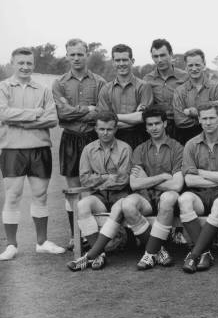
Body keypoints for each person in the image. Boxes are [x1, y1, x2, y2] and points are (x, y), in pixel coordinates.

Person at [0, 47, 61, 260]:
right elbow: (3, 114)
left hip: (39, 148)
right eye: (21, 63)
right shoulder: (4, 87)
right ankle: (11, 246)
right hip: (12, 149)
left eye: (29, 63)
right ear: (12, 63)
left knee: (40, 195)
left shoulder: (43, 89)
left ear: (33, 64)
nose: (25, 67)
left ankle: (42, 242)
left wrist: (22, 123)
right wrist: (34, 114)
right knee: (13, 195)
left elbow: (52, 119)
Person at [52, 38, 107, 250]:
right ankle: (75, 235)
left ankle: (95, 234)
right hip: (70, 139)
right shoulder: (59, 83)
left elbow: (101, 114)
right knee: (73, 189)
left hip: (94, 139)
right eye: (72, 54)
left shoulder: (100, 81)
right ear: (66, 56)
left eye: (80, 54)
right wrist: (86, 110)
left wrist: (74, 110)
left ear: (87, 54)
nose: (76, 58)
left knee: (95, 187)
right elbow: (62, 115)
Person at [179, 102, 218, 273]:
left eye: (212, 118)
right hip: (198, 192)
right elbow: (190, 181)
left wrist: (201, 172)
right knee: (184, 200)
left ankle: (194, 255)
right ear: (198, 119)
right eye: (204, 118)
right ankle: (206, 252)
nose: (208, 122)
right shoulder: (191, 144)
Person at [67, 112, 132, 271]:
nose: (105, 133)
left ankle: (95, 253)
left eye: (109, 129)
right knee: (82, 205)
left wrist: (98, 179)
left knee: (119, 203)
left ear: (116, 129)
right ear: (95, 129)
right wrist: (109, 177)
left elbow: (123, 180)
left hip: (121, 196)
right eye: (101, 129)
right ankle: (99, 253)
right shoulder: (88, 150)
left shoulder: (125, 148)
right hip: (100, 198)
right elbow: (84, 179)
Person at [126, 105, 184, 270]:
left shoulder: (177, 148)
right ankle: (159, 250)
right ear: (145, 127)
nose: (154, 128)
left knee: (169, 197)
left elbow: (177, 185)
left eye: (157, 123)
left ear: (165, 124)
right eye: (150, 125)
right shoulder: (140, 149)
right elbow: (134, 184)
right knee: (128, 205)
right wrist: (161, 177)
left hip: (166, 198)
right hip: (144, 197)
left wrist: (147, 179)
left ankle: (150, 253)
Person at [97, 43, 153, 149]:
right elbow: (105, 122)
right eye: (117, 60)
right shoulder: (105, 89)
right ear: (113, 62)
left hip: (140, 139)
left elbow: (142, 118)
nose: (121, 63)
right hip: (113, 139)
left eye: (125, 60)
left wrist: (113, 117)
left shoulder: (144, 87)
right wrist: (133, 118)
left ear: (132, 61)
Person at [173, 48, 218, 146]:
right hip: (187, 139)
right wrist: (208, 117)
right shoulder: (179, 91)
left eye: (197, 65)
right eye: (190, 65)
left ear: (204, 64)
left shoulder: (217, 87)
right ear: (185, 67)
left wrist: (192, 112)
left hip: (214, 139)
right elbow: (180, 120)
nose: (194, 68)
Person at [143, 39, 187, 141]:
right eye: (156, 56)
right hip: (159, 129)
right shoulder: (147, 80)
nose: (159, 60)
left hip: (183, 128)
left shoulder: (185, 77)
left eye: (162, 55)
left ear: (171, 54)